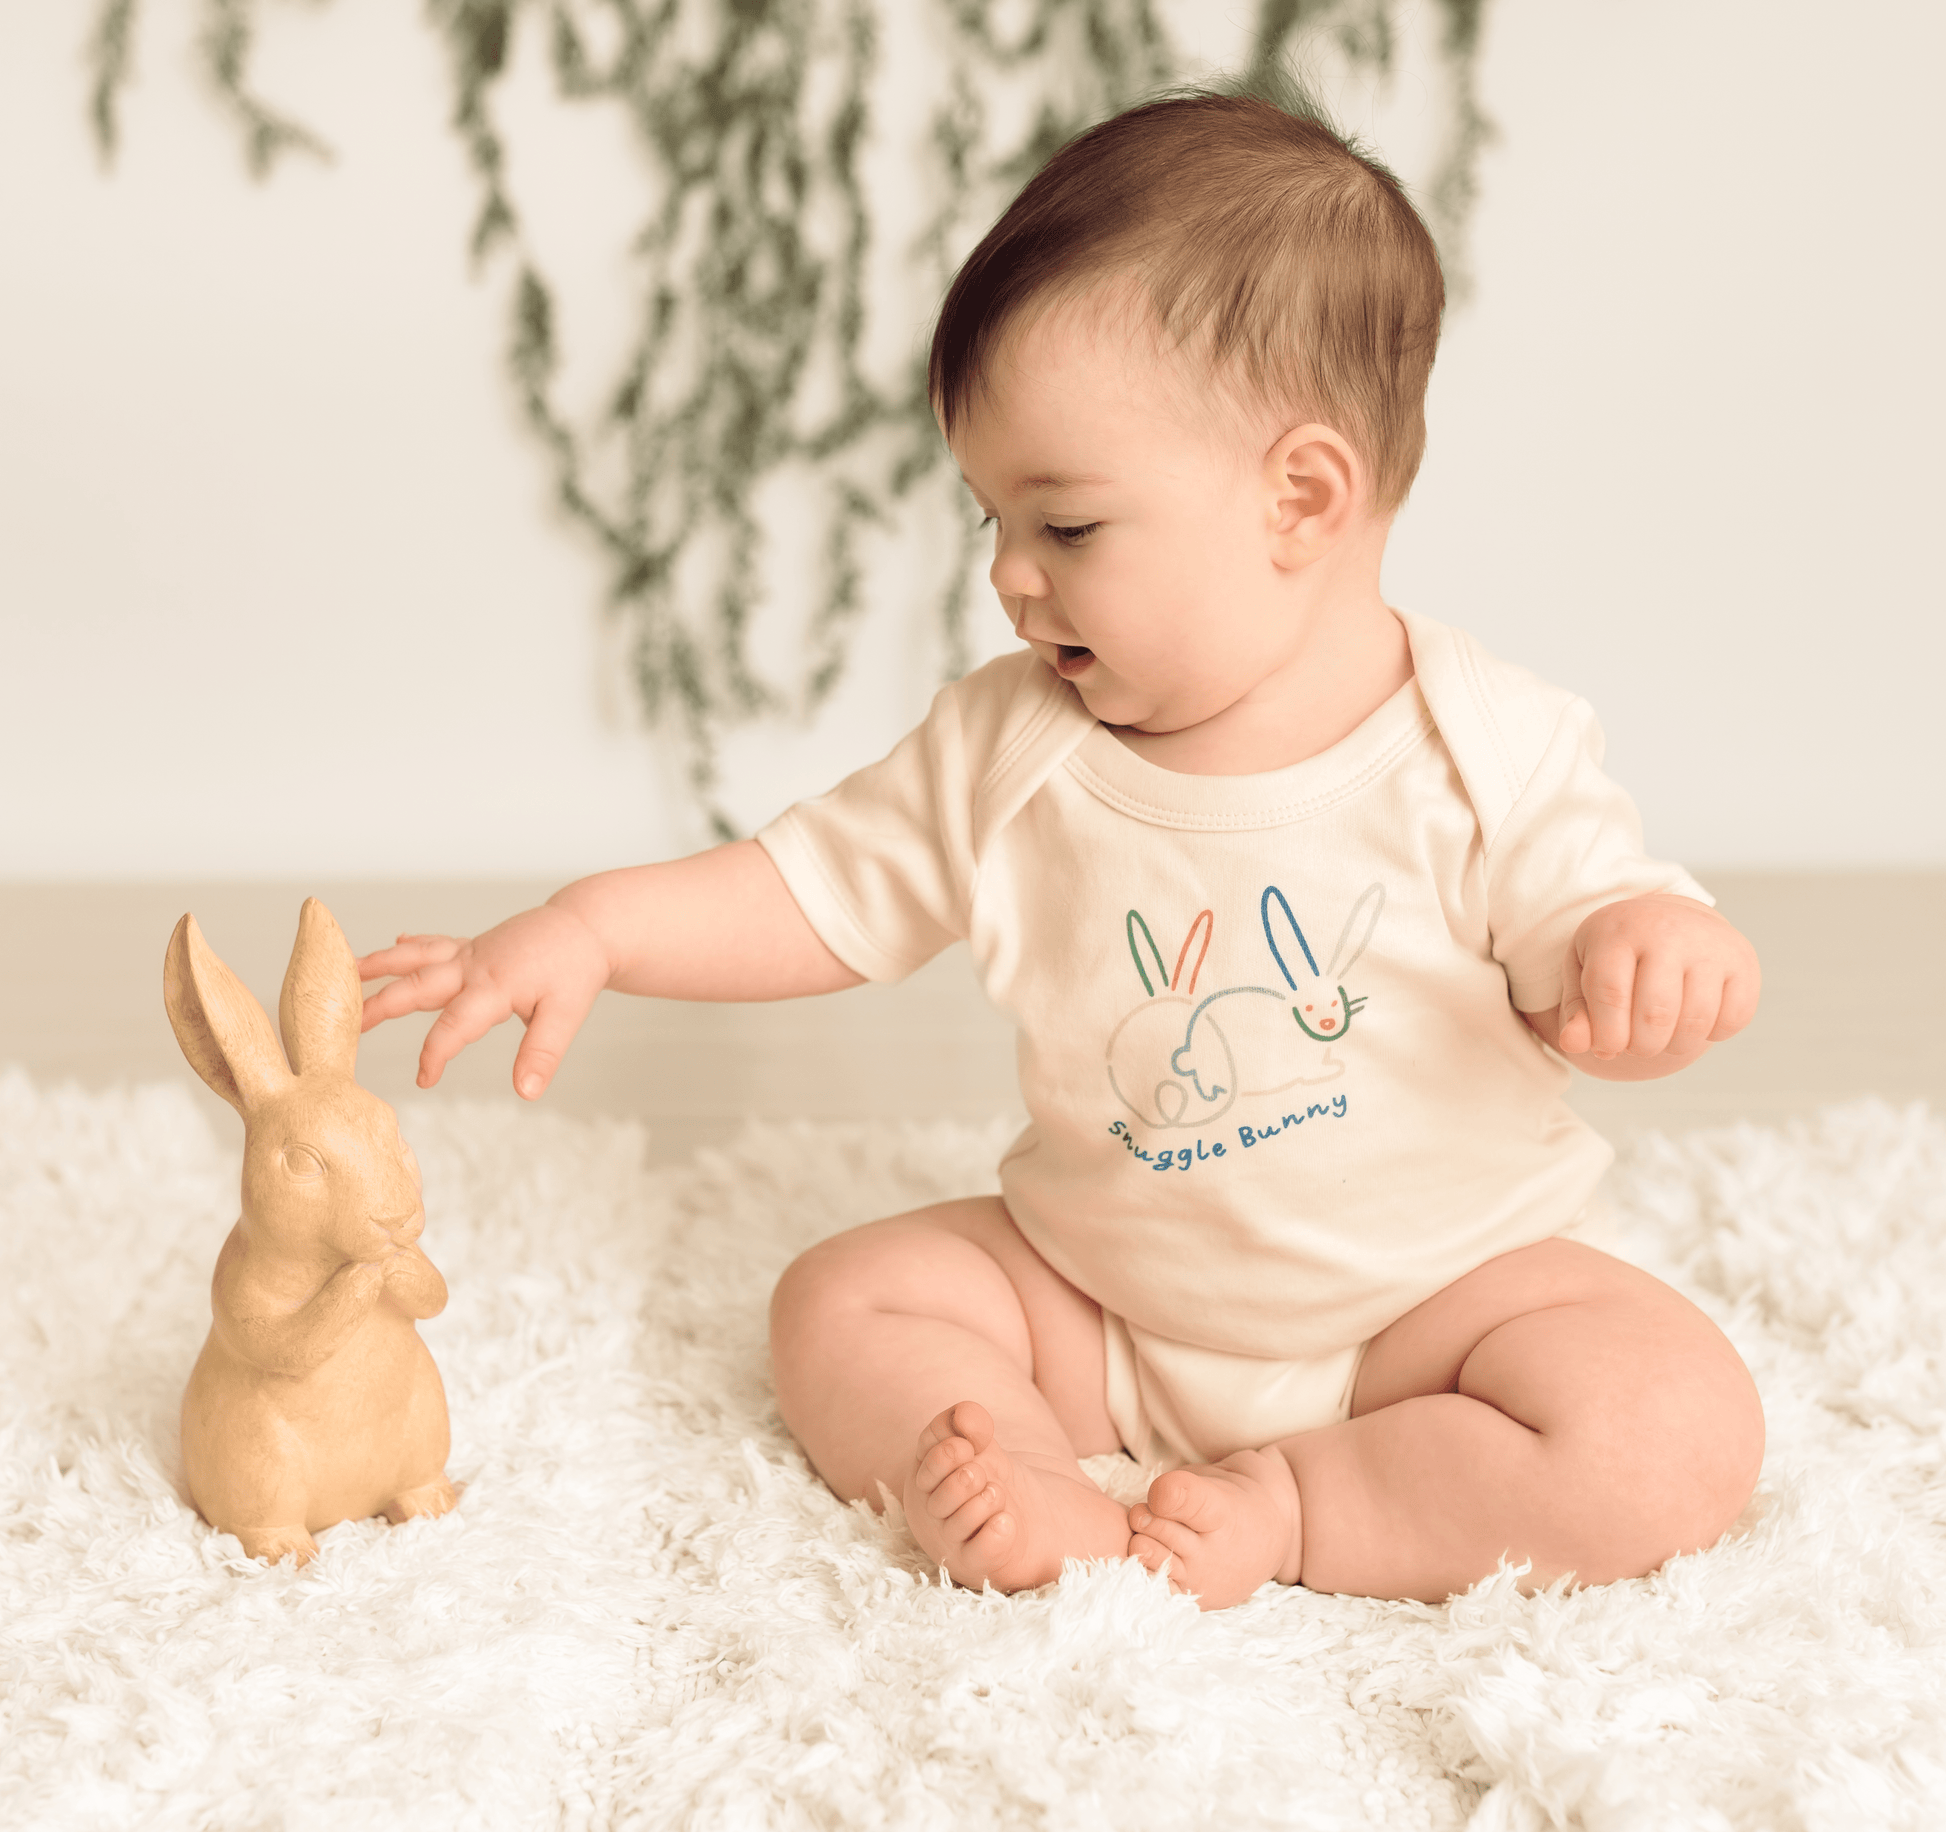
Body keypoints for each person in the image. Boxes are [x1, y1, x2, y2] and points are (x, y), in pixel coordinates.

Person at [359, 86, 1765, 1612]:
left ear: (1299, 498)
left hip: (1437, 1317)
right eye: (990, 521)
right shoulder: (1011, 745)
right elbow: (809, 891)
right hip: (1099, 1306)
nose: (1010, 580)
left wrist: (1646, 957)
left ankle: (1302, 1505)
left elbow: (1593, 922)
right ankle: (1037, 1480)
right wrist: (595, 929)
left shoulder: (1483, 744)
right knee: (843, 1300)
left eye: (1066, 528)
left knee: (1670, 1429)